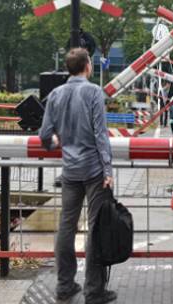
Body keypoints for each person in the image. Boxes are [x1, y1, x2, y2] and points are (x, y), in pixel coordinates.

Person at [39, 48, 116, 304]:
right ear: (87, 66)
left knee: (66, 226)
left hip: (69, 169)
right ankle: (94, 290)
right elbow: (100, 133)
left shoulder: (55, 94)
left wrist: (56, 142)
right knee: (95, 227)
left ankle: (64, 284)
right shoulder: (93, 92)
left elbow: (44, 136)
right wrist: (108, 169)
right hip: (93, 169)